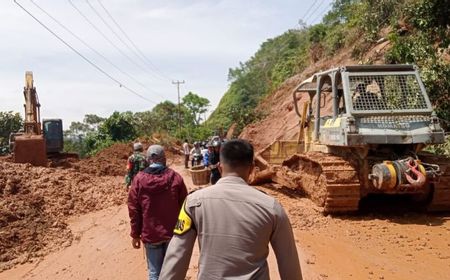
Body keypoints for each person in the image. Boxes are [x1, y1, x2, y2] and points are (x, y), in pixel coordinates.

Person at [159, 139, 302, 279]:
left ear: (220, 168)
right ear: (252, 169)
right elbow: (289, 263)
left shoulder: (193, 202)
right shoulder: (272, 207)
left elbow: (176, 255)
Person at [128, 144, 188, 280]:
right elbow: (185, 205)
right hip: (173, 234)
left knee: (154, 273)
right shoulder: (175, 177)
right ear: (164, 159)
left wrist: (135, 234)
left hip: (150, 234)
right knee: (173, 272)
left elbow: (134, 210)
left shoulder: (138, 180)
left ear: (149, 159)